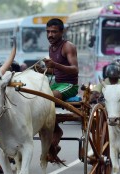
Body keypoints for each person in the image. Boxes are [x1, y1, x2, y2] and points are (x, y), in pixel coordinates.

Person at [35, 18, 79, 163]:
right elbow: (54, 69)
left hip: (69, 86)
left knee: (48, 96)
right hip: (56, 84)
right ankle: (52, 129)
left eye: (54, 32)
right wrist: (44, 70)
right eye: (48, 32)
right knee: (36, 94)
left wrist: (55, 65)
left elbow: (74, 69)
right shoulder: (51, 47)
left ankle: (56, 131)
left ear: (62, 32)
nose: (50, 35)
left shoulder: (68, 47)